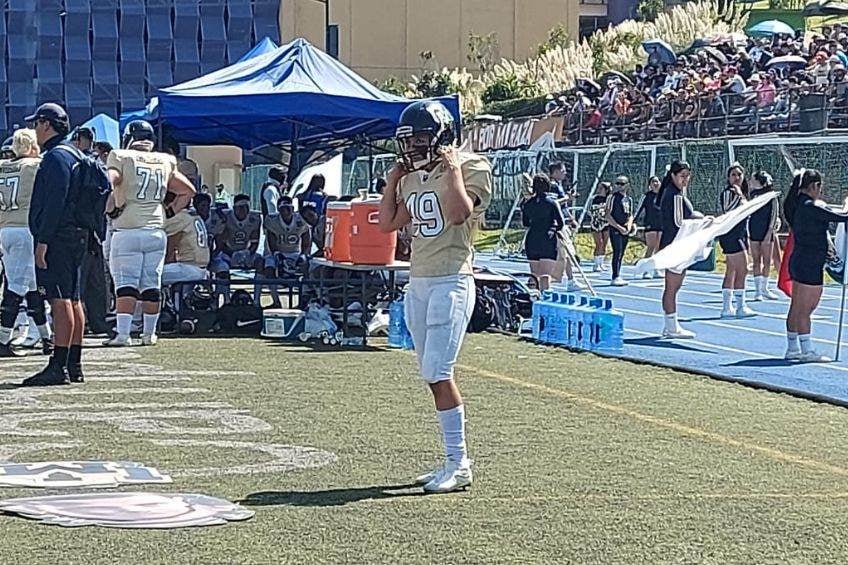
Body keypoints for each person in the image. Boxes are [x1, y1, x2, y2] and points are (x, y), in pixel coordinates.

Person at [378, 100, 491, 494]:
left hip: (451, 280)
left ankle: (459, 463)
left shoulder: (472, 166)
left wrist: (453, 169)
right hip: (420, 281)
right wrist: (393, 182)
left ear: (442, 136)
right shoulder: (411, 178)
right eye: (408, 141)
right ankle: (451, 458)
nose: (413, 148)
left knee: (438, 373)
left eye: (422, 139)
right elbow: (387, 224)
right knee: (432, 375)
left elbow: (460, 214)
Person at [104, 119, 196, 347]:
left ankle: (123, 334)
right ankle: (149, 334)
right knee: (151, 283)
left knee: (125, 283)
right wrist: (168, 211)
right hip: (156, 229)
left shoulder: (121, 156)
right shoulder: (164, 160)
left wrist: (111, 205)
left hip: (128, 228)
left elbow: (112, 181)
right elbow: (188, 191)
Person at [25, 103, 90, 386]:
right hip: (78, 234)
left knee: (60, 298)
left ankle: (58, 364)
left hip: (59, 236)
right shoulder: (76, 154)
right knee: (74, 298)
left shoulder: (55, 158)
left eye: (37, 124)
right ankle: (73, 363)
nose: (34, 130)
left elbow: (54, 203)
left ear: (46, 124)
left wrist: (43, 241)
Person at [783, 168, 848, 363]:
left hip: (801, 261)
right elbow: (842, 217)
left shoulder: (797, 205)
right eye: (820, 187)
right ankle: (806, 349)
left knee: (796, 307)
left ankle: (793, 347)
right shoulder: (809, 206)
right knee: (806, 308)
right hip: (809, 263)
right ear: (814, 186)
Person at [0, 129, 52, 358]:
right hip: (25, 229)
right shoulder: (35, 165)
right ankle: (2, 340)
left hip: (5, 228)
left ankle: (46, 337)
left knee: (31, 287)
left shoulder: (3, 166)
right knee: (16, 288)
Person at [658, 160, 707, 339]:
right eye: (682, 176)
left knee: (673, 287)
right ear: (673, 176)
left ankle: (670, 325)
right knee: (672, 287)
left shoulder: (674, 193)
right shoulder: (675, 195)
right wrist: (701, 220)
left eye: (687, 176)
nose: (685, 180)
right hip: (675, 245)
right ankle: (671, 327)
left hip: (676, 244)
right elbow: (679, 222)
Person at [717, 164, 755, 318]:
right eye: (733, 174)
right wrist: (739, 195)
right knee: (743, 269)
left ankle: (727, 307)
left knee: (731, 270)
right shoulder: (729, 193)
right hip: (731, 235)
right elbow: (728, 210)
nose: (737, 177)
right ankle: (740, 306)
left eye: (739, 174)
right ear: (728, 177)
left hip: (741, 233)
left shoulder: (743, 193)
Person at [521, 174, 564, 289]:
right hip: (547, 239)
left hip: (532, 239)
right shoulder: (551, 203)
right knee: (545, 276)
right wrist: (553, 228)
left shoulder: (528, 204)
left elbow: (525, 223)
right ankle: (544, 297)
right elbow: (561, 223)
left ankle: (531, 298)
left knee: (534, 275)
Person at [210, 194, 263, 281]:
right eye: (241, 207)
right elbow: (221, 243)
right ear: (234, 208)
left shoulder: (254, 218)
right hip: (227, 253)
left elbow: (255, 242)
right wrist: (232, 254)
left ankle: (257, 294)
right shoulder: (226, 217)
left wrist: (246, 252)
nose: (244, 210)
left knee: (261, 263)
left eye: (246, 207)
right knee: (222, 268)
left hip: (245, 253)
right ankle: (223, 294)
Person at [748, 170, 781, 301]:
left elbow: (774, 214)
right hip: (754, 229)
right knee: (756, 260)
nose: (750, 182)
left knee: (767, 260)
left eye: (753, 179)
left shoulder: (771, 196)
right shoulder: (753, 195)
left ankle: (765, 288)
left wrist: (769, 232)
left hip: (767, 230)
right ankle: (757, 291)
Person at [162, 206, 210, 286]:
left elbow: (170, 250)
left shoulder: (180, 217)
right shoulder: (193, 215)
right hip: (200, 268)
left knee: (148, 276)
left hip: (188, 267)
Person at [605, 175, 634, 286]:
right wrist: (619, 227)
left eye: (622, 184)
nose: (619, 186)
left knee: (621, 252)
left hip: (625, 229)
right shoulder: (612, 197)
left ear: (627, 185)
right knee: (617, 251)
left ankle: (618, 274)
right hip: (615, 228)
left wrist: (629, 226)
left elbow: (630, 214)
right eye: (617, 183)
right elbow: (608, 215)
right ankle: (615, 276)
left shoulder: (628, 199)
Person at [634, 175, 663, 278]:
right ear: (650, 185)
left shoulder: (664, 195)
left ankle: (656, 269)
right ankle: (646, 271)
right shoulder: (646, 196)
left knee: (659, 248)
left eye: (657, 182)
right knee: (651, 247)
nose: (655, 184)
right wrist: (634, 221)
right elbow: (639, 209)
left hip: (662, 224)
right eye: (653, 182)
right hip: (650, 224)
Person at [589, 182, 611, 271]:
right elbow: (590, 210)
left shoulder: (609, 199)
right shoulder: (594, 198)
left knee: (605, 242)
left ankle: (601, 262)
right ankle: (596, 264)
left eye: (601, 188)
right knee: (599, 243)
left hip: (606, 223)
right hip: (596, 223)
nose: (599, 190)